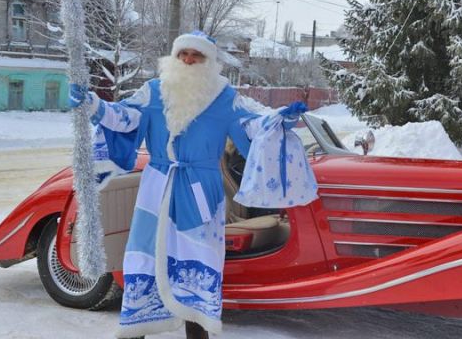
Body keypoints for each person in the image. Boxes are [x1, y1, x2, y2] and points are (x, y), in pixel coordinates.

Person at [69, 30, 318, 339]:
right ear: (173, 58)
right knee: (145, 256)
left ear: (209, 61)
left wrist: (280, 119)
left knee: (199, 260)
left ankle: (197, 332)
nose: (188, 59)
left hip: (201, 190)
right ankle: (137, 330)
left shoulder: (226, 97)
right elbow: (124, 117)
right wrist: (93, 104)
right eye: (182, 54)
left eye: (196, 55)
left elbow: (254, 122)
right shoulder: (153, 91)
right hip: (156, 187)